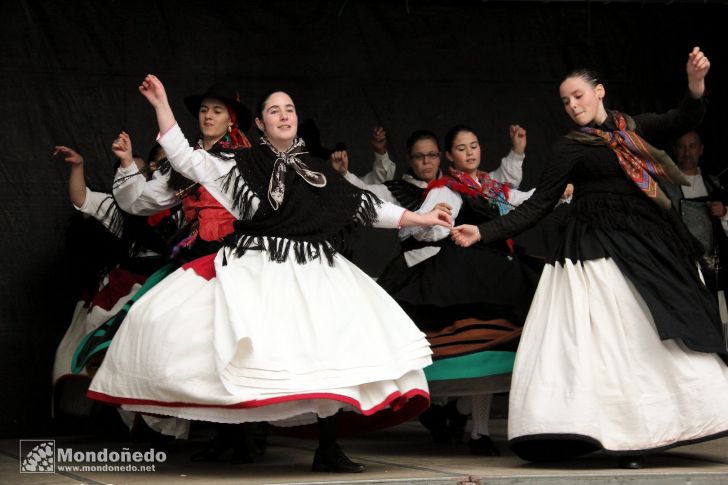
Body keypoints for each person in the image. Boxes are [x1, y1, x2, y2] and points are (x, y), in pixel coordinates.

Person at [86, 75, 452, 473]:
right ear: (259, 124)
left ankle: (328, 447)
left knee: (326, 348)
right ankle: (238, 434)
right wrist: (161, 104)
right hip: (258, 265)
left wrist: (420, 215)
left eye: (289, 109)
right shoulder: (237, 166)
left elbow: (362, 206)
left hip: (313, 267)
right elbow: (186, 160)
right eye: (274, 110)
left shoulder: (316, 171)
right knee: (243, 345)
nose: (284, 115)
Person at [451, 47, 728, 469]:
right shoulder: (570, 147)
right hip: (596, 249)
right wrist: (485, 230)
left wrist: (695, 85)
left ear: (599, 92)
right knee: (615, 340)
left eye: (578, 95)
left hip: (648, 242)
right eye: (565, 101)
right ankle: (620, 433)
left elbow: (682, 120)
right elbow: (539, 203)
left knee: (662, 329)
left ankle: (668, 422)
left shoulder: (634, 129)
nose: (572, 105)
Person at [374, 124, 539, 455]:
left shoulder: (492, 188)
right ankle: (452, 416)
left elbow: (526, 199)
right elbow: (420, 229)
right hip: (466, 280)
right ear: (449, 156)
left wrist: (562, 191)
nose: (470, 153)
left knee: (495, 352)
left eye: (474, 146)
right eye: (461, 148)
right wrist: (435, 223)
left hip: (497, 277)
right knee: (472, 352)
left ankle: (467, 420)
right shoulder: (445, 188)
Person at [51, 141, 184, 439]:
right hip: (129, 285)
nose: (138, 175)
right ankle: (123, 417)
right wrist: (78, 166)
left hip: (168, 284)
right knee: (105, 339)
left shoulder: (180, 203)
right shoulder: (118, 208)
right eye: (128, 170)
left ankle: (162, 424)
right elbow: (82, 198)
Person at [333, 125, 528, 211]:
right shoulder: (399, 190)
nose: (426, 161)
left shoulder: (457, 185)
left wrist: (517, 152)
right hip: (420, 263)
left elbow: (502, 186)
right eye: (419, 156)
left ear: (441, 157)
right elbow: (365, 194)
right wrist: (344, 173)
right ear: (410, 160)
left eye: (432, 155)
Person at [667, 130, 728, 297]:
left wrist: (723, 213)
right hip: (682, 271)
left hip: (714, 270)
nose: (687, 152)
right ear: (675, 150)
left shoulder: (714, 185)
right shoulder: (665, 187)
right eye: (682, 147)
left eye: (692, 146)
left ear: (701, 149)